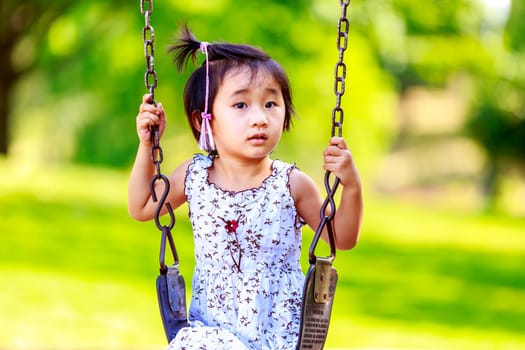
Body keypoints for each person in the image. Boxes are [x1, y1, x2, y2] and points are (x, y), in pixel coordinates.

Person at [128, 27, 362, 350]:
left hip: (277, 338)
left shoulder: (291, 184)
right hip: (208, 334)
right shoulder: (195, 176)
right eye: (241, 105)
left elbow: (343, 237)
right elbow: (141, 206)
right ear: (204, 120)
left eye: (270, 104)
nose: (260, 118)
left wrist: (351, 186)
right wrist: (146, 145)